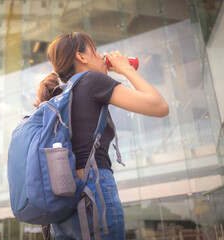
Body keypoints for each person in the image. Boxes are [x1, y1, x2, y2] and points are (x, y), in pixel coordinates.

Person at [34, 32, 169, 240]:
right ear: (81, 57)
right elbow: (159, 107)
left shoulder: (61, 93)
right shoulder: (92, 80)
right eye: (95, 50)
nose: (100, 55)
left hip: (63, 197)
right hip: (93, 189)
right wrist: (126, 69)